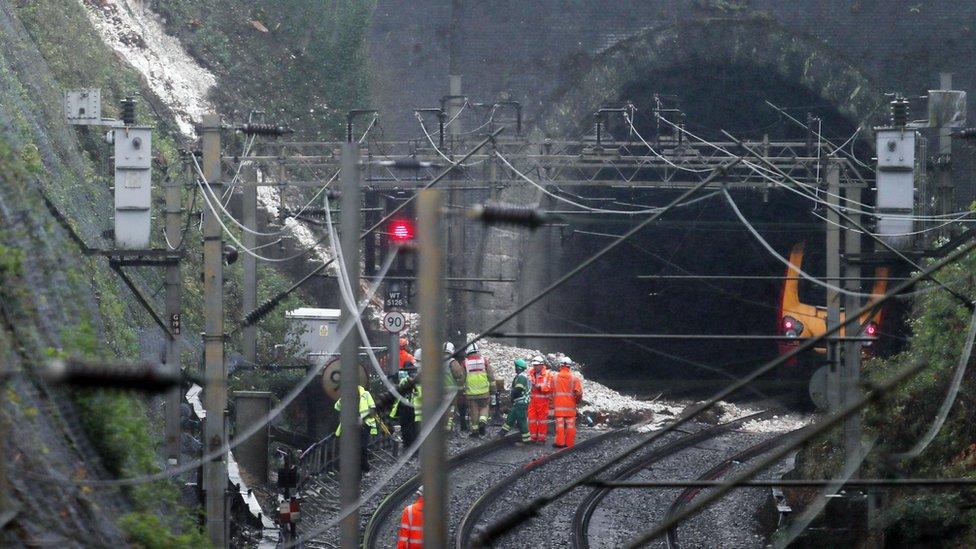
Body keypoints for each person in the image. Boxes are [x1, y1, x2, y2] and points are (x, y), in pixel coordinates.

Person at [334, 384, 378, 473]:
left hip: (364, 425)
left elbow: (372, 409)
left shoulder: (366, 394)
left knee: (362, 447)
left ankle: (364, 468)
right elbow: (337, 407)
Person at [461, 342, 495, 437]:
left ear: (468, 352)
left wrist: (460, 390)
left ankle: (475, 432)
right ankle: (483, 422)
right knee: (484, 407)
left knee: (474, 411)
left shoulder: (465, 363)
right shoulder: (484, 361)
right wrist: (493, 389)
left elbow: (461, 378)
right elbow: (491, 376)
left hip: (471, 393)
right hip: (484, 392)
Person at [389, 356, 421, 449]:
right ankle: (409, 448)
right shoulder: (405, 380)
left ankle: (412, 448)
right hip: (407, 408)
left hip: (412, 408)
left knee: (412, 430)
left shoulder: (417, 382)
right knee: (408, 429)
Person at [552, 357, 583, 448]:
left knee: (560, 425)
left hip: (559, 406)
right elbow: (578, 393)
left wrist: (551, 403)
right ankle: (569, 444)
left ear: (560, 365)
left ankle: (560, 443)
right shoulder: (574, 379)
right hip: (570, 407)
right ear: (569, 366)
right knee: (570, 425)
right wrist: (577, 401)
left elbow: (550, 391)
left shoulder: (554, 378)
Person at [500, 358, 531, 444]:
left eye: (516, 366)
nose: (515, 368)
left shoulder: (521, 377)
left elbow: (518, 389)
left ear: (519, 367)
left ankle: (527, 441)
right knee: (511, 417)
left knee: (521, 421)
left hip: (521, 402)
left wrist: (510, 396)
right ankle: (502, 433)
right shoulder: (520, 376)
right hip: (518, 402)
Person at [527, 355, 553, 444]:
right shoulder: (531, 372)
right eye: (534, 365)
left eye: (536, 365)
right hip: (533, 400)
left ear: (542, 365)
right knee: (532, 419)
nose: (535, 367)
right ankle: (533, 438)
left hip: (543, 402)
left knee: (542, 420)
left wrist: (538, 386)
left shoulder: (548, 374)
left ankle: (542, 439)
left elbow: (548, 387)